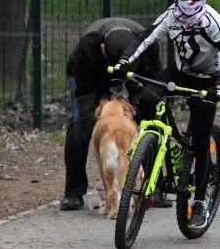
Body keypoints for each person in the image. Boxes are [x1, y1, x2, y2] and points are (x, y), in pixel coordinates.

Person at [117, 0, 220, 229]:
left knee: (200, 140)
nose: (189, 1)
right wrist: (124, 60)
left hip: (207, 78)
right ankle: (157, 150)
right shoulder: (171, 15)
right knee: (147, 99)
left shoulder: (212, 22)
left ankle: (201, 202)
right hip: (181, 72)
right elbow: (145, 37)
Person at [61, 17, 161, 211]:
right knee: (79, 124)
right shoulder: (87, 50)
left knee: (151, 122)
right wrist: (104, 132)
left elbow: (153, 85)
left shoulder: (149, 46)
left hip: (136, 79)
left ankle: (152, 187)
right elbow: (86, 99)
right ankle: (73, 192)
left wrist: (135, 114)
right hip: (90, 78)